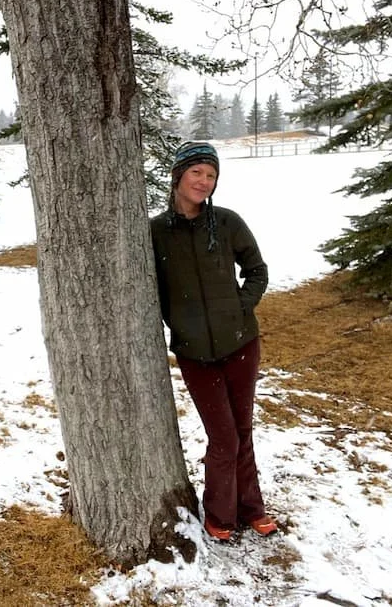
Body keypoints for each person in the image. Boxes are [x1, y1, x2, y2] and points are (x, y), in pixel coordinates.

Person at [150, 140, 278, 542]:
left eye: (211, 175)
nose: (204, 181)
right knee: (224, 437)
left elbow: (257, 270)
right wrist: (176, 321)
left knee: (242, 431)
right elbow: (150, 289)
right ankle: (220, 513)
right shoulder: (155, 232)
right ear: (178, 176)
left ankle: (252, 508)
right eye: (197, 172)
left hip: (241, 343)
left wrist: (240, 308)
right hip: (194, 353)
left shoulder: (226, 222)